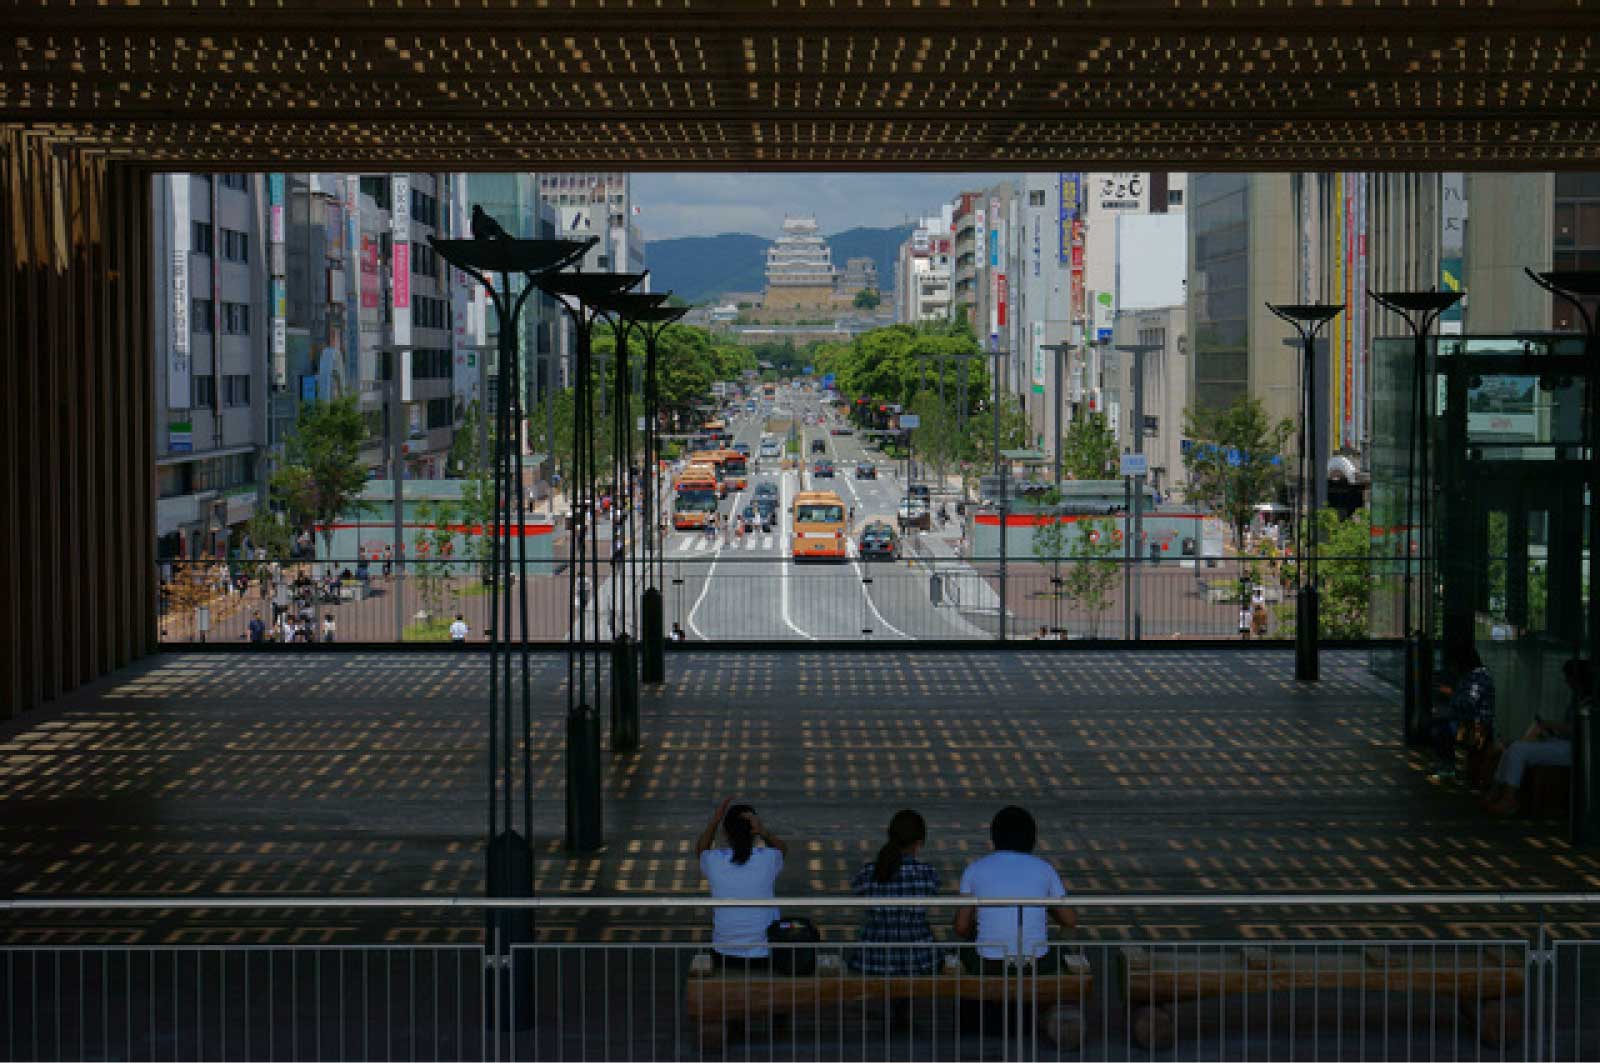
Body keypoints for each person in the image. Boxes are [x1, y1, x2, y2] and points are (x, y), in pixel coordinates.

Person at [954, 806, 1076, 974]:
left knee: (962, 949)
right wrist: (1046, 907)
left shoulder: (975, 869)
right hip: (1036, 965)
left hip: (989, 965)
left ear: (994, 837)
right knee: (1061, 947)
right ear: (1032, 838)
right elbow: (1069, 920)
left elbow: (961, 927)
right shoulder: (1045, 869)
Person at [1483, 658, 1592, 815]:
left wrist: (1548, 725)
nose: (1567, 682)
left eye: (1569, 678)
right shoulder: (1577, 698)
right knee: (1514, 747)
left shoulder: (1589, 700)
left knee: (1518, 749)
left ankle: (1508, 799)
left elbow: (1579, 730)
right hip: (1564, 743)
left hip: (1576, 749)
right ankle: (1496, 791)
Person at [695, 798, 788, 968]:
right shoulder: (767, 858)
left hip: (724, 953)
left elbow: (701, 849)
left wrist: (714, 822)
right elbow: (782, 849)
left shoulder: (714, 861)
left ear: (725, 833)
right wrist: (763, 831)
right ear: (754, 830)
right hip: (764, 954)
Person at [850, 810, 941, 975]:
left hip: (873, 959)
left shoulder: (868, 872)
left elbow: (857, 890)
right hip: (919, 959)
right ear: (919, 842)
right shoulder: (927, 873)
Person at [1431, 644, 1496, 779]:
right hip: (1470, 721)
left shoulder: (1478, 678)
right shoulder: (1475, 675)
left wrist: (1450, 693)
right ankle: (1446, 765)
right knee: (1439, 720)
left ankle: (1446, 767)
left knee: (1441, 728)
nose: (1454, 668)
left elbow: (1468, 703)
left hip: (1476, 727)